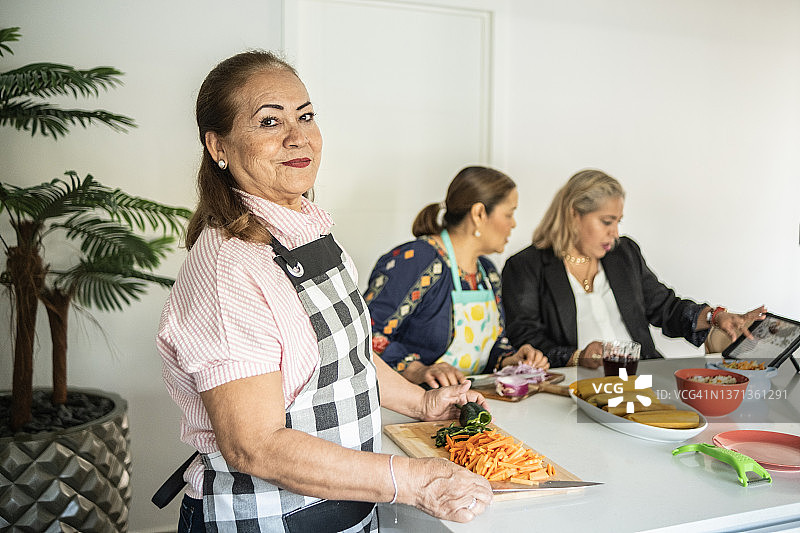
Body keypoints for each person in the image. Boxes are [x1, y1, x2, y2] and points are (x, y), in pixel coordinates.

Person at [155, 51, 492, 533]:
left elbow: (347, 356)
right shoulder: (229, 272)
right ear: (218, 146)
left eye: (306, 116)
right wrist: (415, 481)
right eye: (269, 121)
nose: (298, 137)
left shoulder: (306, 234)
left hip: (343, 507)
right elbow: (254, 444)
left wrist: (420, 404)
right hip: (267, 519)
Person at [501, 169, 766, 368]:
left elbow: (665, 308)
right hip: (573, 388)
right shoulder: (526, 266)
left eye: (618, 222)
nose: (615, 233)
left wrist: (715, 317)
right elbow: (525, 340)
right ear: (573, 214)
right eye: (607, 221)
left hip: (644, 377)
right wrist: (578, 356)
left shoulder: (623, 253)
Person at [364, 166, 549, 389]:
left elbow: (491, 349)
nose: (514, 224)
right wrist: (418, 369)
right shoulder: (415, 261)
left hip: (470, 401)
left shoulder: (487, 273)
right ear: (479, 214)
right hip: (410, 407)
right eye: (509, 214)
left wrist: (513, 360)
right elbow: (364, 334)